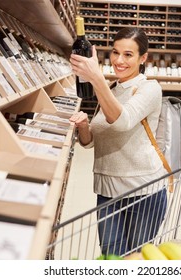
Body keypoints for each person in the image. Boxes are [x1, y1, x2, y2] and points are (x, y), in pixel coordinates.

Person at [69, 27, 167, 256]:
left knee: (135, 258)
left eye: (128, 54)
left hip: (143, 191)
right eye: (115, 52)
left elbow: (122, 121)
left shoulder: (150, 88)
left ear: (143, 58)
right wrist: (84, 126)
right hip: (106, 189)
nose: (119, 60)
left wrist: (96, 78)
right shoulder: (111, 88)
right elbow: (90, 142)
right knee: (111, 256)